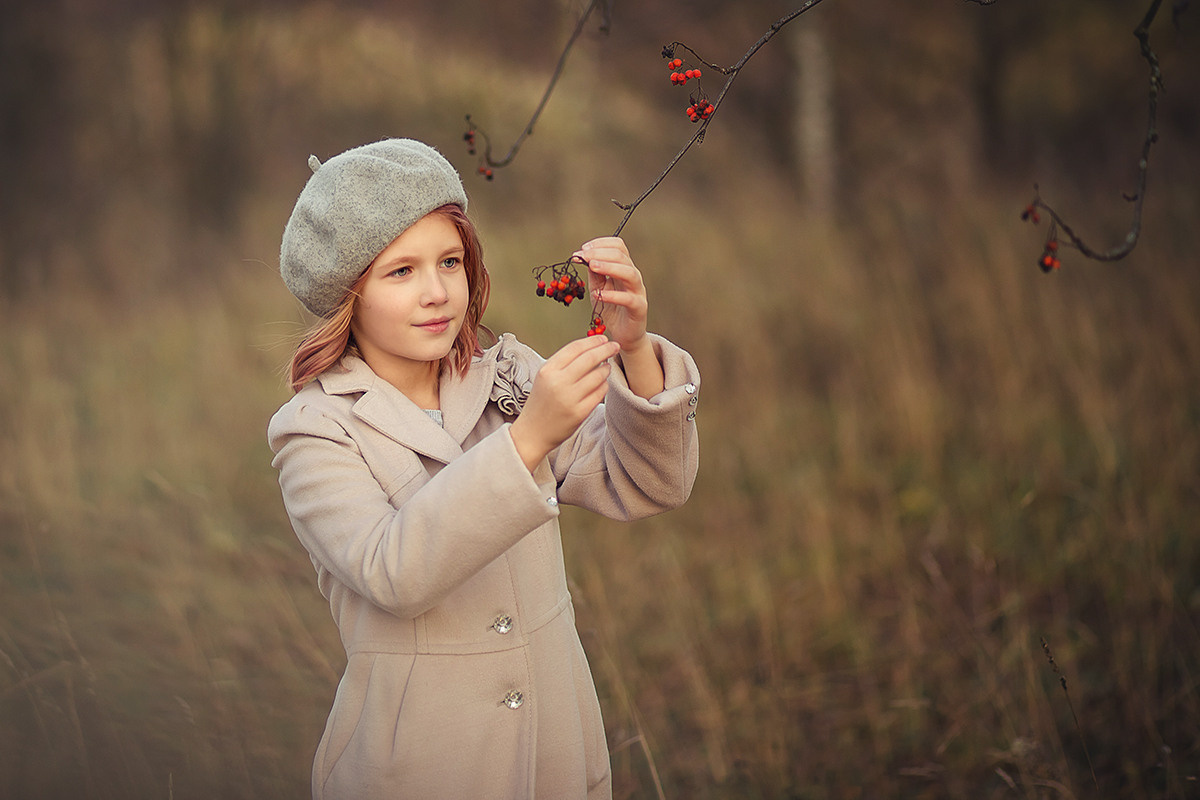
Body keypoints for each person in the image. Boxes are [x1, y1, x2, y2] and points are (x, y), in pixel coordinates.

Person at [267, 138, 700, 800]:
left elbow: (651, 483)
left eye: (449, 261)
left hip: (555, 754)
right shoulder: (315, 430)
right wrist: (529, 440)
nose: (437, 293)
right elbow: (396, 571)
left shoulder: (509, 374)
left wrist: (633, 347)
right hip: (420, 765)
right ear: (347, 295)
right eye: (401, 272)